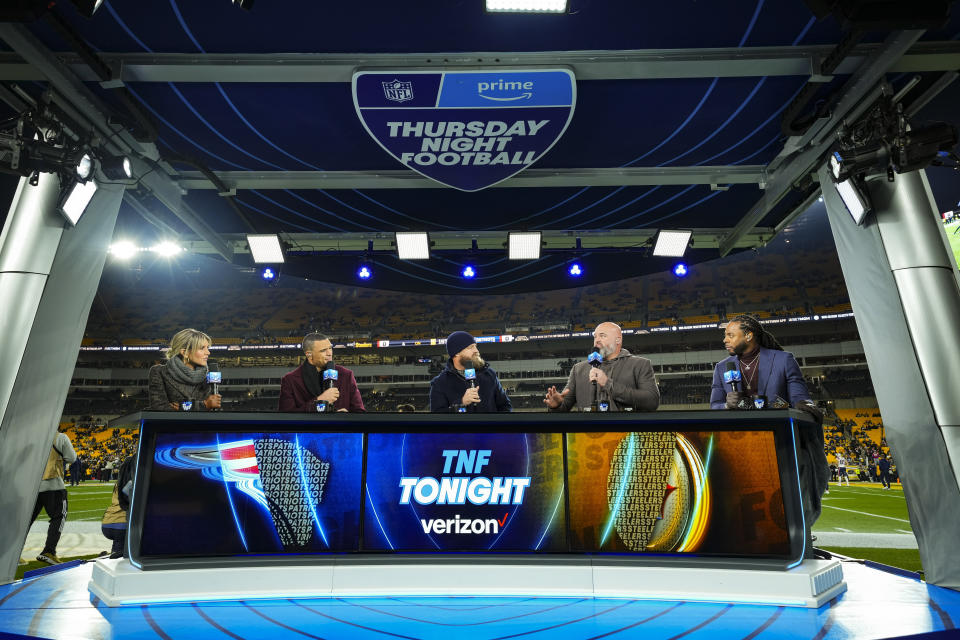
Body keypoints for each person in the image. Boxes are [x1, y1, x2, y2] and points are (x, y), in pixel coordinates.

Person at [709, 314, 830, 546]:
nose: (725, 340)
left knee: (786, 496)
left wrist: (803, 405)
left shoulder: (783, 359)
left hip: (779, 440)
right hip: (741, 441)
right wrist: (727, 405)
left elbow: (796, 398)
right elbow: (714, 404)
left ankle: (798, 536)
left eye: (730, 335)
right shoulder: (722, 367)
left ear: (749, 335)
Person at [543, 322, 658, 412]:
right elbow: (564, 408)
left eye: (602, 336)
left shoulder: (640, 364)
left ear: (618, 340)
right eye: (595, 336)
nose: (597, 340)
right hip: (588, 437)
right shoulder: (579, 369)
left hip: (626, 433)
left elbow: (652, 401)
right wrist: (556, 406)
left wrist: (608, 384)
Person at [279, 333, 365, 412]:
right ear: (309, 354)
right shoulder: (290, 380)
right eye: (323, 350)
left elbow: (360, 412)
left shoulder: (346, 375)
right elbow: (285, 416)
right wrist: (320, 401)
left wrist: (347, 417)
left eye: (330, 348)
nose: (329, 353)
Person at [430, 331, 512, 413]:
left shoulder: (489, 374)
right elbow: (438, 417)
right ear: (457, 353)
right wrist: (461, 403)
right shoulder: (439, 383)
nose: (476, 351)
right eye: (471, 347)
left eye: (475, 346)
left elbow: (505, 406)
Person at [29, 427, 77, 565]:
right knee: (59, 516)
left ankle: (12, 554)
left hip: (32, 484)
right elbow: (71, 457)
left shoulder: (33, 438)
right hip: (53, 482)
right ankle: (49, 551)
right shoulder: (60, 437)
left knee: (25, 522)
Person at [147, 329, 221, 411]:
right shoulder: (159, 372)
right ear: (185, 352)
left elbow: (213, 408)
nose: (208, 352)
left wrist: (182, 407)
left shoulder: (210, 375)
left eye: (207, 348)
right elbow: (159, 408)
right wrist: (203, 405)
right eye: (202, 348)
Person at [101, 455, 136, 559]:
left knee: (117, 551)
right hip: (122, 525)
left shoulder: (119, 482)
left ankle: (113, 553)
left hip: (107, 523)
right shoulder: (133, 482)